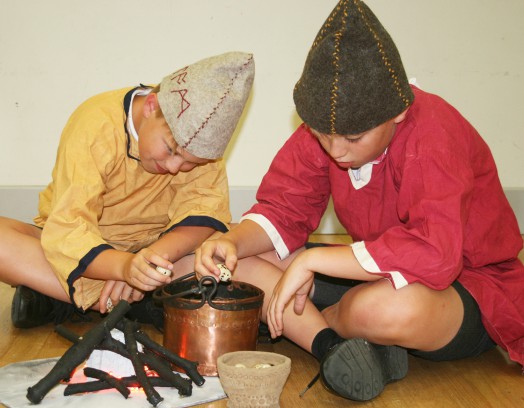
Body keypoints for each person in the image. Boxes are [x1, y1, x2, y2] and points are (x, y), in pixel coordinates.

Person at [195, 0, 524, 402]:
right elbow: (284, 207)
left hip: (466, 286)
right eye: (320, 134)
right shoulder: (332, 131)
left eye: (353, 139)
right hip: (380, 269)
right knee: (236, 262)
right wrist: (231, 240)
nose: (336, 150)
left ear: (398, 112)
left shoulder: (434, 134)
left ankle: (302, 328)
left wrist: (312, 260)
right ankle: (337, 342)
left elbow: (436, 253)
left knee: (381, 309)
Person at [0, 51, 255, 329]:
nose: (173, 166)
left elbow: (203, 212)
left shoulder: (203, 150)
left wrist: (148, 264)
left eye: (189, 163)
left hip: (159, 252)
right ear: (151, 106)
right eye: (170, 150)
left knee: (244, 254)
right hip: (84, 250)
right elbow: (68, 226)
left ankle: (66, 298)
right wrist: (123, 268)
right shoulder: (95, 122)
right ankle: (144, 301)